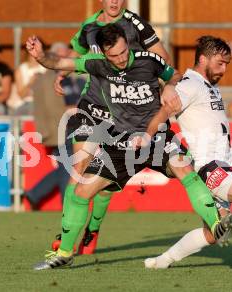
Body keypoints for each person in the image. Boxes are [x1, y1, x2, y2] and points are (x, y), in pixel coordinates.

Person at [26, 24, 232, 270]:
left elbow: (177, 75)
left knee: (186, 171)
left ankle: (214, 223)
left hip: (156, 138)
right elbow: (59, 63)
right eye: (115, 55)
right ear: (104, 54)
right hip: (121, 145)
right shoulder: (96, 64)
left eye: (124, 51)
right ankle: (64, 252)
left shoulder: (148, 60)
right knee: (79, 192)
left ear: (127, 43)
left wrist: (169, 85)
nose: (122, 58)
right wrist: (40, 56)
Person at [131, 36, 232, 269]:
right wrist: (147, 134)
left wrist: (224, 51)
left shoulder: (207, 85)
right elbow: (165, 110)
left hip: (217, 164)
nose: (224, 69)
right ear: (203, 59)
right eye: (220, 63)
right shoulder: (190, 85)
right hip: (210, 165)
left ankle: (161, 261)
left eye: (227, 64)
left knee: (212, 234)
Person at [51, 0, 172, 256]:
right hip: (92, 107)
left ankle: (92, 229)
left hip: (123, 112)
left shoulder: (135, 24)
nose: (114, 1)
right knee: (80, 168)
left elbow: (162, 58)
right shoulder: (89, 25)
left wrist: (164, 87)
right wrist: (62, 72)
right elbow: (77, 52)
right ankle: (67, 233)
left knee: (105, 180)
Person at [24, 42, 74, 209]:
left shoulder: (39, 80)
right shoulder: (57, 78)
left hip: (47, 129)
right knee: (67, 168)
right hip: (61, 127)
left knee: (64, 167)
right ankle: (42, 195)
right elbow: (64, 108)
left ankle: (34, 194)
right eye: (63, 56)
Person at [11, 47, 47, 115]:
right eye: (32, 52)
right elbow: (22, 95)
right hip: (26, 104)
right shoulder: (21, 70)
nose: (35, 55)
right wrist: (30, 83)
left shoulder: (46, 68)